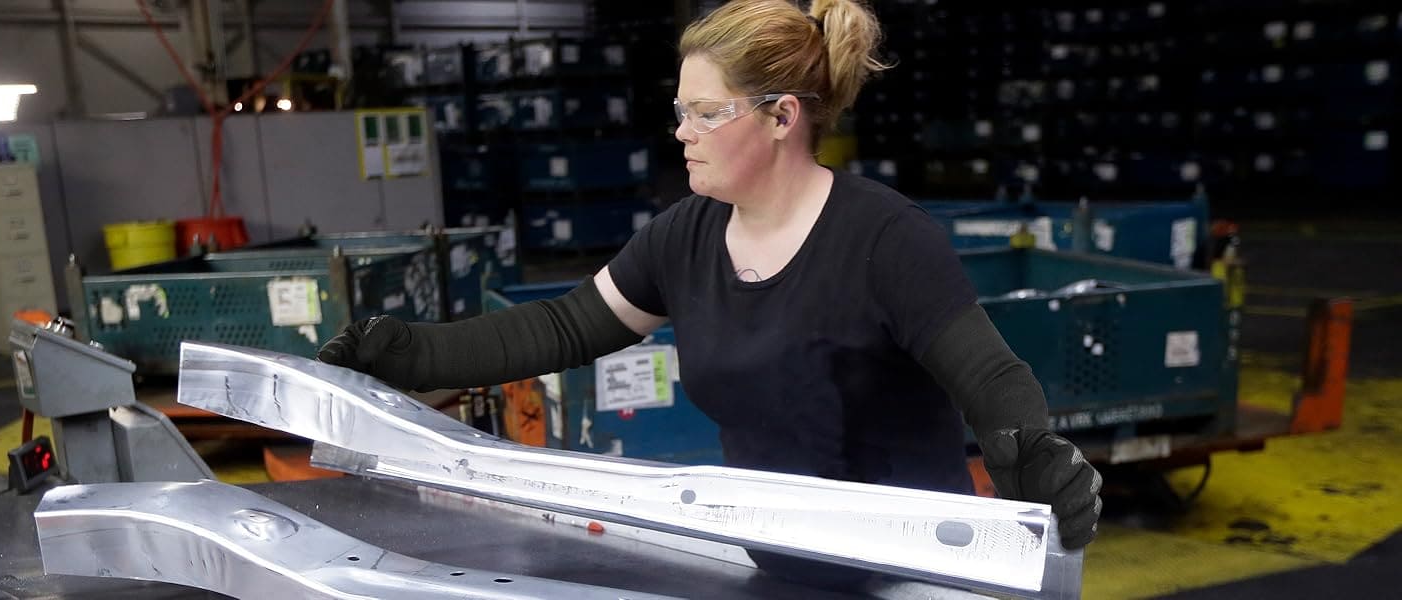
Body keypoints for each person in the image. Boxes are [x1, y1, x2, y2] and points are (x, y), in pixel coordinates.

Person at [319, 0, 1101, 588]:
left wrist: (1029, 457)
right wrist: (413, 354)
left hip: (905, 578)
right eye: (679, 112)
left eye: (705, 112)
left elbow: (989, 378)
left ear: (781, 118)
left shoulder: (885, 239)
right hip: (773, 570)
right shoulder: (685, 238)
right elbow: (563, 326)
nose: (682, 131)